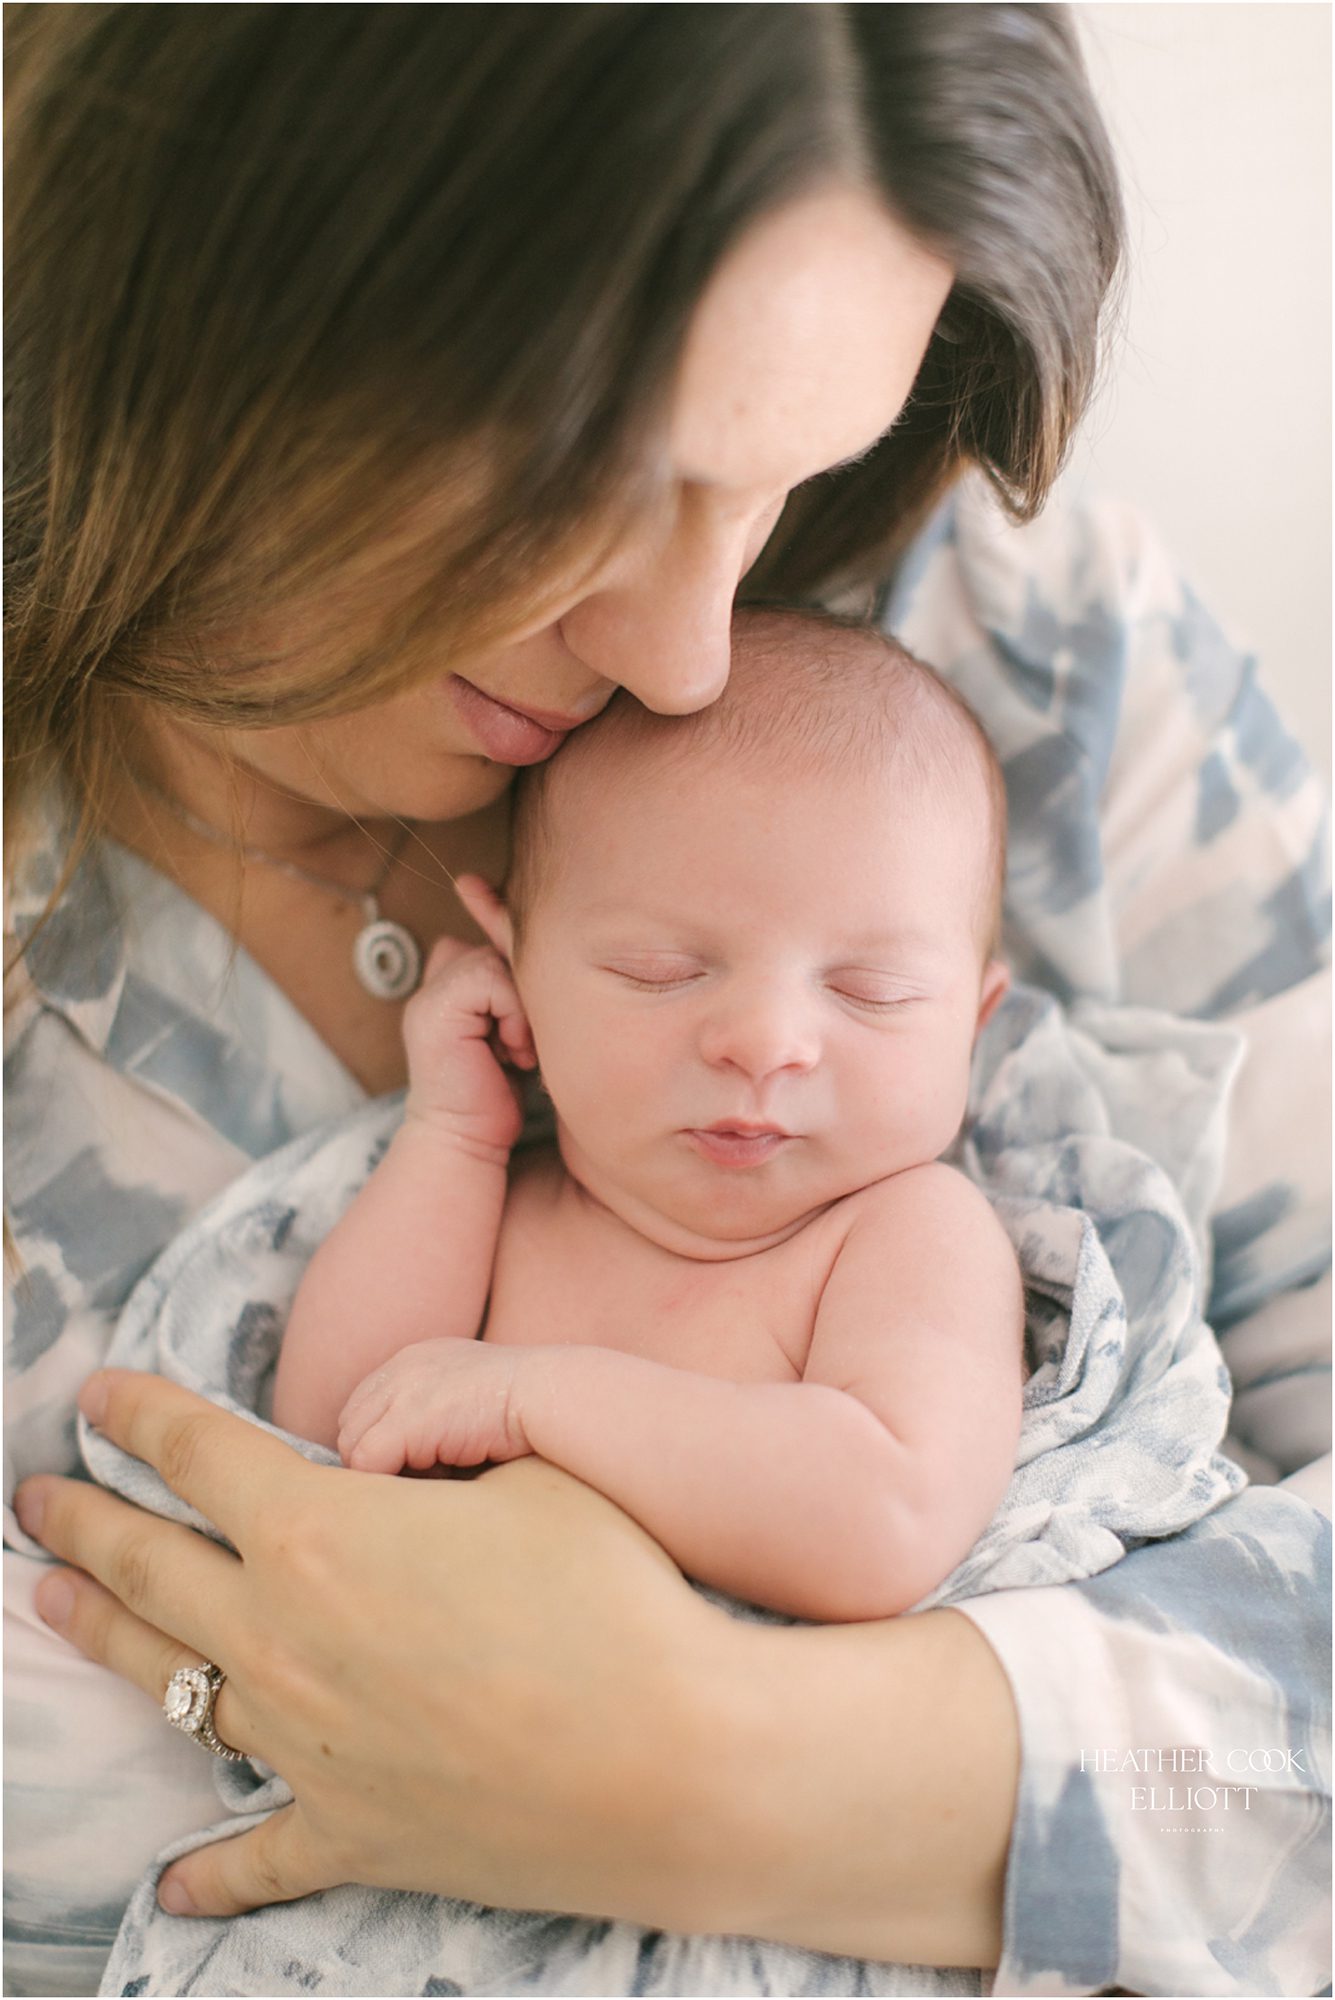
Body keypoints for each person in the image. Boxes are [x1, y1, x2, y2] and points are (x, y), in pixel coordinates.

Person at [4, 7, 1328, 1998]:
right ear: (209, 295)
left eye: (795, 474)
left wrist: (712, 1776)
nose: (693, 650)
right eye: (593, 481)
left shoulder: (1020, 668)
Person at [276, 612, 1025, 1623]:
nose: (765, 1044)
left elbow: (888, 1515)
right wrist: (449, 1135)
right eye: (660, 971)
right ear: (515, 959)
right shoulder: (501, 1206)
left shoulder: (905, 1234)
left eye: (872, 991)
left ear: (974, 1019)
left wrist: (533, 1397)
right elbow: (331, 1427)